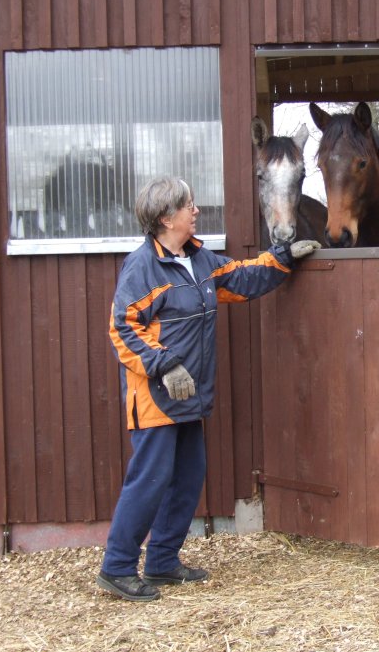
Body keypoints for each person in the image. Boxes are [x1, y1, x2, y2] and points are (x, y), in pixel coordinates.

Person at [98, 176, 320, 602]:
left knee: (187, 477)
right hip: (156, 397)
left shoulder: (199, 261)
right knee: (150, 480)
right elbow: (122, 327)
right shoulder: (142, 267)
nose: (195, 210)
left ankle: (162, 561)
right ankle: (117, 567)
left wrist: (283, 258)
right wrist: (165, 366)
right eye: (188, 205)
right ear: (166, 218)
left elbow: (240, 277)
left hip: (190, 396)